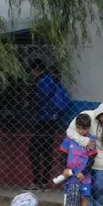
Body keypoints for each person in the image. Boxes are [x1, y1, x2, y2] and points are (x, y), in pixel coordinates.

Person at [65, 98, 103, 206]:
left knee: (98, 190)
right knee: (87, 191)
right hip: (85, 161)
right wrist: (85, 141)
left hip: (102, 162)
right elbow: (70, 131)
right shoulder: (87, 115)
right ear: (100, 112)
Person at [29, 59, 72, 190]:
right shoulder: (54, 81)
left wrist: (33, 105)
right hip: (53, 120)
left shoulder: (43, 82)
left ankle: (37, 181)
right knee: (47, 150)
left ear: (36, 70)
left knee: (35, 150)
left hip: (42, 120)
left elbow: (41, 99)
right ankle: (44, 182)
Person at [59, 113, 97, 206]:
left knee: (84, 197)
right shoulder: (70, 138)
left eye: (84, 129)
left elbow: (92, 159)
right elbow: (63, 154)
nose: (81, 131)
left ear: (88, 128)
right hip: (71, 173)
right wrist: (64, 169)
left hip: (84, 175)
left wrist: (84, 173)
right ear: (75, 126)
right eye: (79, 128)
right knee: (71, 195)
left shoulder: (91, 140)